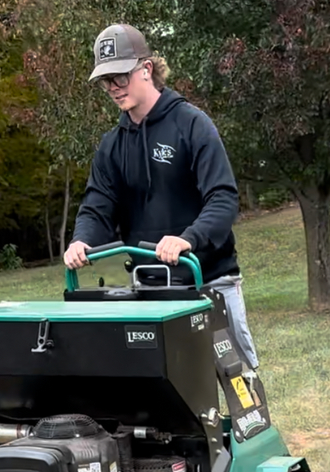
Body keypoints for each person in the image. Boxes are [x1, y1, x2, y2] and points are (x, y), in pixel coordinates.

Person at [64, 23, 259, 369]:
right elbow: (97, 208)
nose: (113, 88)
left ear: (146, 69)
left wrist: (188, 240)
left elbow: (224, 198)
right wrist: (82, 241)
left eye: (120, 77)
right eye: (106, 81)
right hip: (149, 290)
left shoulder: (192, 125)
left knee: (238, 387)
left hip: (209, 283)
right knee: (164, 397)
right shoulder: (112, 146)